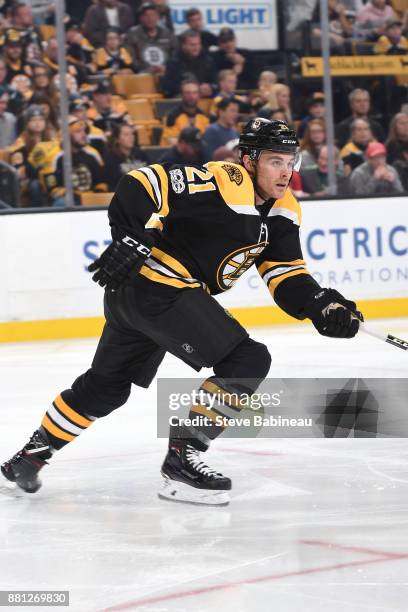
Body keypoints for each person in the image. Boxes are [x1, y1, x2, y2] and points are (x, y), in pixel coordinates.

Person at [1, 118, 362, 506]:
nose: (286, 171)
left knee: (105, 388)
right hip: (158, 288)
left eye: (291, 161)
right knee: (247, 359)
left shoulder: (283, 212)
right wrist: (131, 234)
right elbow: (139, 183)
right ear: (248, 160)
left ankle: (27, 459)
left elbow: (285, 276)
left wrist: (321, 305)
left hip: (139, 295)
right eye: (275, 161)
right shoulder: (222, 181)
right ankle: (181, 461)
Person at [32, 116, 108, 206]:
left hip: (91, 198)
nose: (84, 135)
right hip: (69, 200)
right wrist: (78, 196)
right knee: (61, 203)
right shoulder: (53, 157)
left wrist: (93, 195)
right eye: (78, 132)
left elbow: (102, 182)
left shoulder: (93, 154)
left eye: (85, 131)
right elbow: (53, 189)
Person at [8, 104, 53, 206]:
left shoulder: (51, 141)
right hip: (29, 180)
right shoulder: (20, 143)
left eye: (41, 120)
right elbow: (18, 171)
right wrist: (35, 162)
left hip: (50, 176)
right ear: (27, 123)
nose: (38, 123)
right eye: (33, 120)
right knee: (35, 185)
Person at [161, 29, 217, 98]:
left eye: (198, 44)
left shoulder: (208, 61)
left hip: (205, 99)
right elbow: (167, 90)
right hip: (182, 100)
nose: (196, 48)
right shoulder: (174, 63)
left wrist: (211, 88)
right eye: (192, 45)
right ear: (183, 45)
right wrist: (189, 89)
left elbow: (216, 83)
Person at [124, 2, 177, 75]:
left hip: (165, 72)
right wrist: (148, 69)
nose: (150, 18)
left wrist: (167, 67)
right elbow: (130, 58)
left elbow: (175, 54)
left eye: (153, 15)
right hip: (141, 74)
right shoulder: (132, 34)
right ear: (141, 18)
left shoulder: (167, 34)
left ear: (158, 17)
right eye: (146, 15)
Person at [160, 78, 209, 146]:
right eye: (187, 93)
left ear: (199, 95)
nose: (191, 96)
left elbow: (207, 140)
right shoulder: (172, 116)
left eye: (194, 93)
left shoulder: (204, 117)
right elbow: (172, 141)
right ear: (182, 95)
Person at [103, 123, 147, 190]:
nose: (131, 137)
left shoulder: (140, 154)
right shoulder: (110, 158)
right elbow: (111, 184)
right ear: (117, 139)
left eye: (132, 134)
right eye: (126, 134)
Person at [202, 97, 240, 162]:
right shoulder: (211, 131)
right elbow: (209, 158)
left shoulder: (235, 131)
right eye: (232, 111)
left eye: (237, 111)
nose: (236, 115)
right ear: (221, 112)